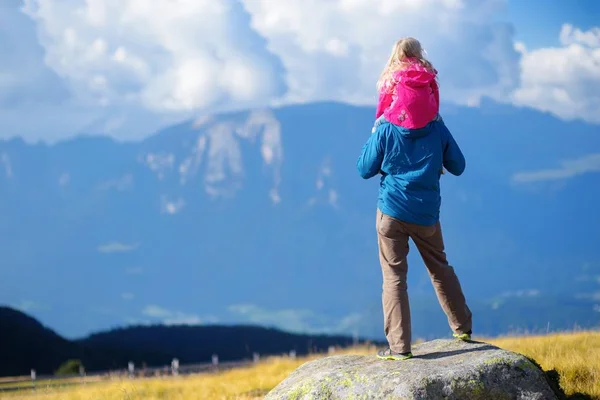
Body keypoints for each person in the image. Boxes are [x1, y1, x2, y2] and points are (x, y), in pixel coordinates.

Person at [357, 40, 472, 362]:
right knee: (439, 267)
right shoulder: (437, 127)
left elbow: (364, 169)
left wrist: (377, 132)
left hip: (391, 211)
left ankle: (399, 348)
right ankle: (462, 327)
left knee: (394, 278)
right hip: (427, 213)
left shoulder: (385, 129)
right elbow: (458, 167)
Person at [371, 37, 440, 134]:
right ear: (418, 51)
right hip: (427, 113)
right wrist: (433, 113)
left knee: (377, 126)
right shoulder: (427, 71)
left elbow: (384, 100)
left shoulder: (393, 72)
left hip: (399, 114)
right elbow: (435, 97)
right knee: (441, 127)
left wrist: (380, 116)